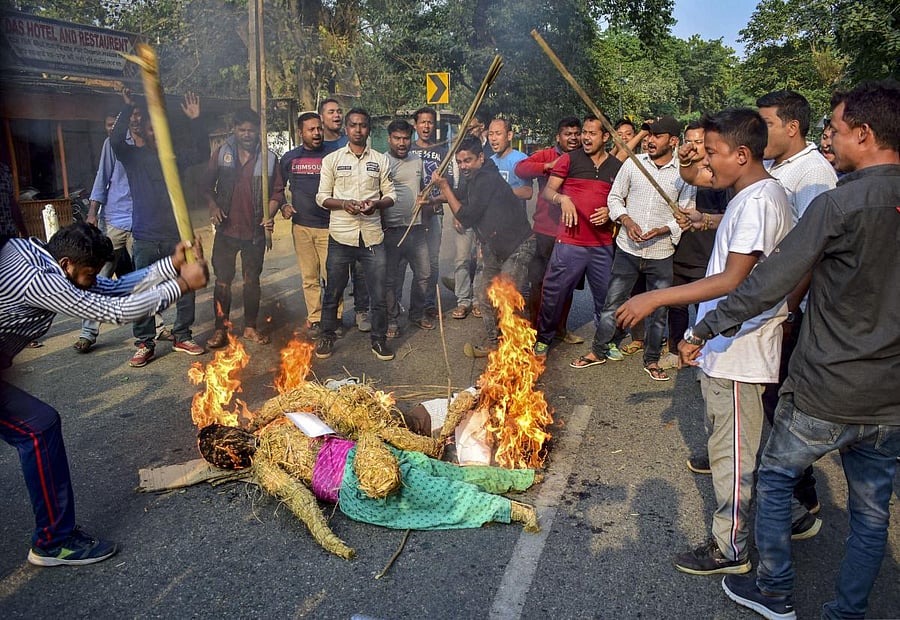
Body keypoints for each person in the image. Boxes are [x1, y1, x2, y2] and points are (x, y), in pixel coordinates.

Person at [681, 80, 900, 620]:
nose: (830, 139)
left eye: (836, 130)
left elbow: (766, 282)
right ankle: (848, 611)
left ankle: (775, 589)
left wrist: (703, 330)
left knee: (775, 479)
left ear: (864, 134)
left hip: (828, 386)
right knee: (872, 517)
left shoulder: (837, 203)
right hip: (890, 397)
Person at [614, 108, 817, 579]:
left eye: (712, 153)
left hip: (741, 349)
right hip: (725, 343)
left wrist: (654, 297)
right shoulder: (750, 192)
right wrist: (698, 334)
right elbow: (695, 179)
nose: (705, 162)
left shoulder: (760, 201)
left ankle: (731, 548)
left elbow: (732, 280)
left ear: (741, 154)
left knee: (733, 457)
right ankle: (791, 514)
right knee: (739, 446)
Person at [0, 223, 208, 566]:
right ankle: (54, 542)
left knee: (39, 425)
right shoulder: (39, 281)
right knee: (38, 428)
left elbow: (111, 289)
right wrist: (183, 285)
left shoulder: (40, 254)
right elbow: (116, 311)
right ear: (66, 263)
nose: (91, 280)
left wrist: (170, 265)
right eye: (87, 274)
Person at [570, 115, 692, 380]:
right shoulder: (634, 164)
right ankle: (598, 351)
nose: (650, 140)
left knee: (658, 311)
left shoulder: (684, 175)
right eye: (649, 135)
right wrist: (625, 219)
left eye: (657, 136)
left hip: (661, 253)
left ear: (673, 141)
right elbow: (614, 198)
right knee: (612, 303)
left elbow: (687, 214)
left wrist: (663, 229)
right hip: (627, 249)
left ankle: (652, 360)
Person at [111, 90, 210, 367]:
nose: (155, 133)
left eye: (159, 129)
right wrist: (127, 108)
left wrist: (196, 120)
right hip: (145, 236)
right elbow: (115, 141)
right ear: (143, 131)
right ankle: (145, 342)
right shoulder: (133, 157)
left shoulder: (175, 157)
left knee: (186, 286)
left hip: (176, 236)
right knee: (143, 291)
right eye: (150, 129)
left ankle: (182, 335)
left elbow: (202, 152)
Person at [432, 136, 535, 357]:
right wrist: (435, 199)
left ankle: (519, 349)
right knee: (484, 295)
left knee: (508, 297)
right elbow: (461, 195)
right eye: (460, 162)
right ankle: (494, 343)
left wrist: (444, 186)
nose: (463, 166)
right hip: (494, 246)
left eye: (468, 160)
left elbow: (466, 217)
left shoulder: (487, 178)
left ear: (480, 157)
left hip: (518, 246)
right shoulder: (476, 176)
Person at [533, 115, 621, 358]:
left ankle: (606, 341)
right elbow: (548, 191)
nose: (585, 138)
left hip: (602, 244)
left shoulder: (616, 166)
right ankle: (544, 338)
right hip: (569, 242)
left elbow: (623, 200)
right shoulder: (569, 159)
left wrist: (611, 211)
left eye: (592, 133)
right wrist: (562, 198)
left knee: (606, 298)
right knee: (554, 293)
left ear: (605, 137)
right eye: (584, 132)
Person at [314, 108, 396, 361]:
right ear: (346, 129)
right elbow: (321, 197)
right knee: (333, 292)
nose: (358, 130)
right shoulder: (332, 160)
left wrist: (376, 205)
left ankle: (379, 340)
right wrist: (343, 204)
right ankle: (327, 337)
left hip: (372, 237)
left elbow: (391, 195)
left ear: (368, 129)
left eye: (363, 125)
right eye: (353, 125)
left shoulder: (380, 160)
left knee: (378, 294)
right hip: (341, 237)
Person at [204, 108, 284, 348]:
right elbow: (206, 186)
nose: (247, 134)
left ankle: (250, 327)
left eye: (251, 130)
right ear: (234, 130)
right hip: (226, 230)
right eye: (242, 130)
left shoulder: (269, 158)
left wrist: (269, 215)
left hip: (254, 231)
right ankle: (221, 329)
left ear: (258, 130)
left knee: (251, 281)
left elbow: (277, 193)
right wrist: (213, 207)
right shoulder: (222, 154)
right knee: (222, 281)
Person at [75, 105, 142, 353]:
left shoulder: (146, 142)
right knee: (101, 275)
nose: (113, 129)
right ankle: (87, 332)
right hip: (116, 220)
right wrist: (92, 213)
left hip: (142, 220)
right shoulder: (112, 145)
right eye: (109, 125)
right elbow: (101, 178)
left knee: (142, 276)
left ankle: (155, 327)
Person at [515, 116, 583, 333]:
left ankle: (561, 329)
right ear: (558, 137)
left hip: (574, 232)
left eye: (576, 133)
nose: (573, 138)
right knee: (539, 281)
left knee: (568, 283)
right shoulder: (546, 155)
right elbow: (520, 169)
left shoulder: (585, 158)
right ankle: (535, 328)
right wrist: (548, 166)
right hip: (545, 231)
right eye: (567, 134)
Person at [279, 112, 341, 338]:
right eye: (311, 129)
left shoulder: (333, 156)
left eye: (319, 129)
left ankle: (335, 318)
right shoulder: (290, 158)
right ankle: (315, 318)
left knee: (332, 276)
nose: (316, 133)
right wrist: (283, 205)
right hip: (301, 226)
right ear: (300, 133)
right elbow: (277, 187)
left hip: (329, 226)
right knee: (309, 277)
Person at [382, 119, 431, 336]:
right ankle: (392, 320)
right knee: (392, 279)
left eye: (406, 138)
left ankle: (417, 314)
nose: (402, 143)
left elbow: (423, 190)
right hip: (392, 230)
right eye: (397, 138)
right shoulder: (382, 161)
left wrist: (425, 209)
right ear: (389, 139)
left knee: (424, 274)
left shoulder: (418, 161)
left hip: (416, 229)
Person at [408, 106, 448, 321]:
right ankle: (405, 307)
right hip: (409, 215)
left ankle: (429, 303)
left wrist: (434, 202)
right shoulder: (407, 149)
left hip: (434, 213)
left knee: (431, 260)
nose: (426, 126)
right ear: (415, 125)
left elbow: (449, 188)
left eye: (430, 122)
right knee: (409, 261)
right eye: (422, 122)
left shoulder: (443, 152)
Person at [488, 118, 533, 202]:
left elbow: (528, 192)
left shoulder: (520, 160)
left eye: (498, 133)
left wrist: (501, 192)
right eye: (490, 134)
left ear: (509, 135)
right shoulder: (489, 161)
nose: (493, 138)